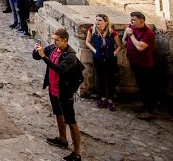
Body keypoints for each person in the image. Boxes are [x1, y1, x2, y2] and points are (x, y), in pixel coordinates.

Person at [33, 29, 84, 161]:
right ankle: (62, 139)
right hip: (53, 89)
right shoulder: (53, 48)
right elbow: (36, 57)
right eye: (53, 39)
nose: (54, 42)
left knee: (71, 121)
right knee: (58, 114)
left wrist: (44, 56)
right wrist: (37, 50)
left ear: (64, 41)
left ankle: (77, 153)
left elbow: (60, 70)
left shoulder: (70, 56)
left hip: (64, 92)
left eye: (57, 40)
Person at [85, 13, 122, 111]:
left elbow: (119, 45)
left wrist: (114, 54)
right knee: (100, 77)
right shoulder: (92, 30)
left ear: (106, 22)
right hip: (98, 57)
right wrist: (95, 50)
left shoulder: (112, 32)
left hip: (110, 58)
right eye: (96, 20)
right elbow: (87, 42)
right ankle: (102, 97)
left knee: (111, 78)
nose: (97, 22)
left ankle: (110, 99)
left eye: (100, 20)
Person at [124, 11, 156, 119]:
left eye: (134, 20)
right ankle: (144, 106)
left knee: (146, 86)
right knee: (140, 85)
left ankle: (149, 110)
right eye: (131, 19)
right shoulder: (131, 26)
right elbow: (124, 40)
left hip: (144, 64)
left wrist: (131, 34)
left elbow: (140, 47)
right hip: (134, 62)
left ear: (141, 21)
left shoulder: (148, 33)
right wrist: (126, 33)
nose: (131, 22)